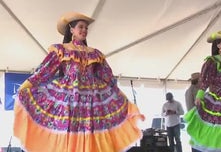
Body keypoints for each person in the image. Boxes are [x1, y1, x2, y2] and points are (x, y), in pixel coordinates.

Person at [13, 12, 145, 152]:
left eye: (86, 28)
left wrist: (121, 97)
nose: (84, 30)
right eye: (81, 27)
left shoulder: (95, 53)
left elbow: (108, 77)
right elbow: (44, 71)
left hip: (92, 100)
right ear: (71, 30)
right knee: (70, 131)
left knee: (90, 131)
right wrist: (25, 86)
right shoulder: (61, 50)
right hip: (70, 99)